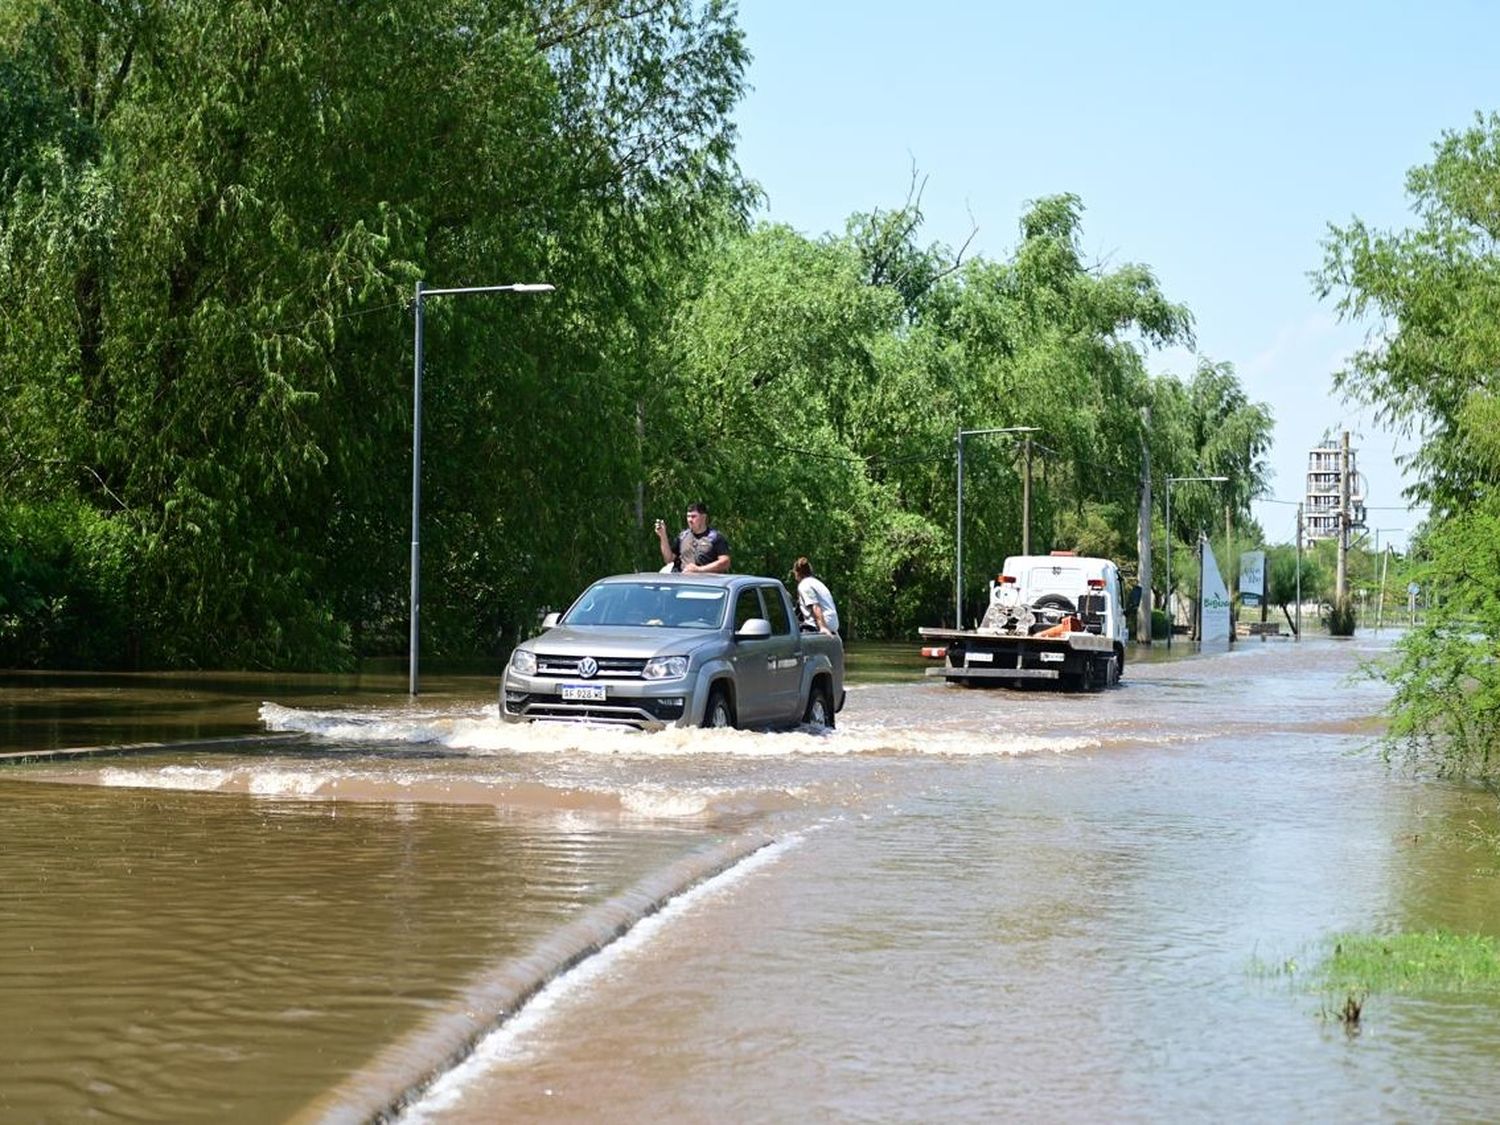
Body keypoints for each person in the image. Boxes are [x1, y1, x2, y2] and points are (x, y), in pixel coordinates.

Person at [656, 502, 731, 574]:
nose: (690, 520)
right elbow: (669, 559)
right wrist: (663, 536)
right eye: (688, 516)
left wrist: (700, 570)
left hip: (706, 583)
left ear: (703, 517)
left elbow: (725, 562)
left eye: (693, 516)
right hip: (684, 582)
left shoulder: (715, 537)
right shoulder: (682, 536)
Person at [792, 556, 839, 635]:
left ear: (797, 573)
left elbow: (815, 606)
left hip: (820, 624)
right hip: (833, 624)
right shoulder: (818, 583)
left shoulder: (804, 585)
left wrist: (822, 627)